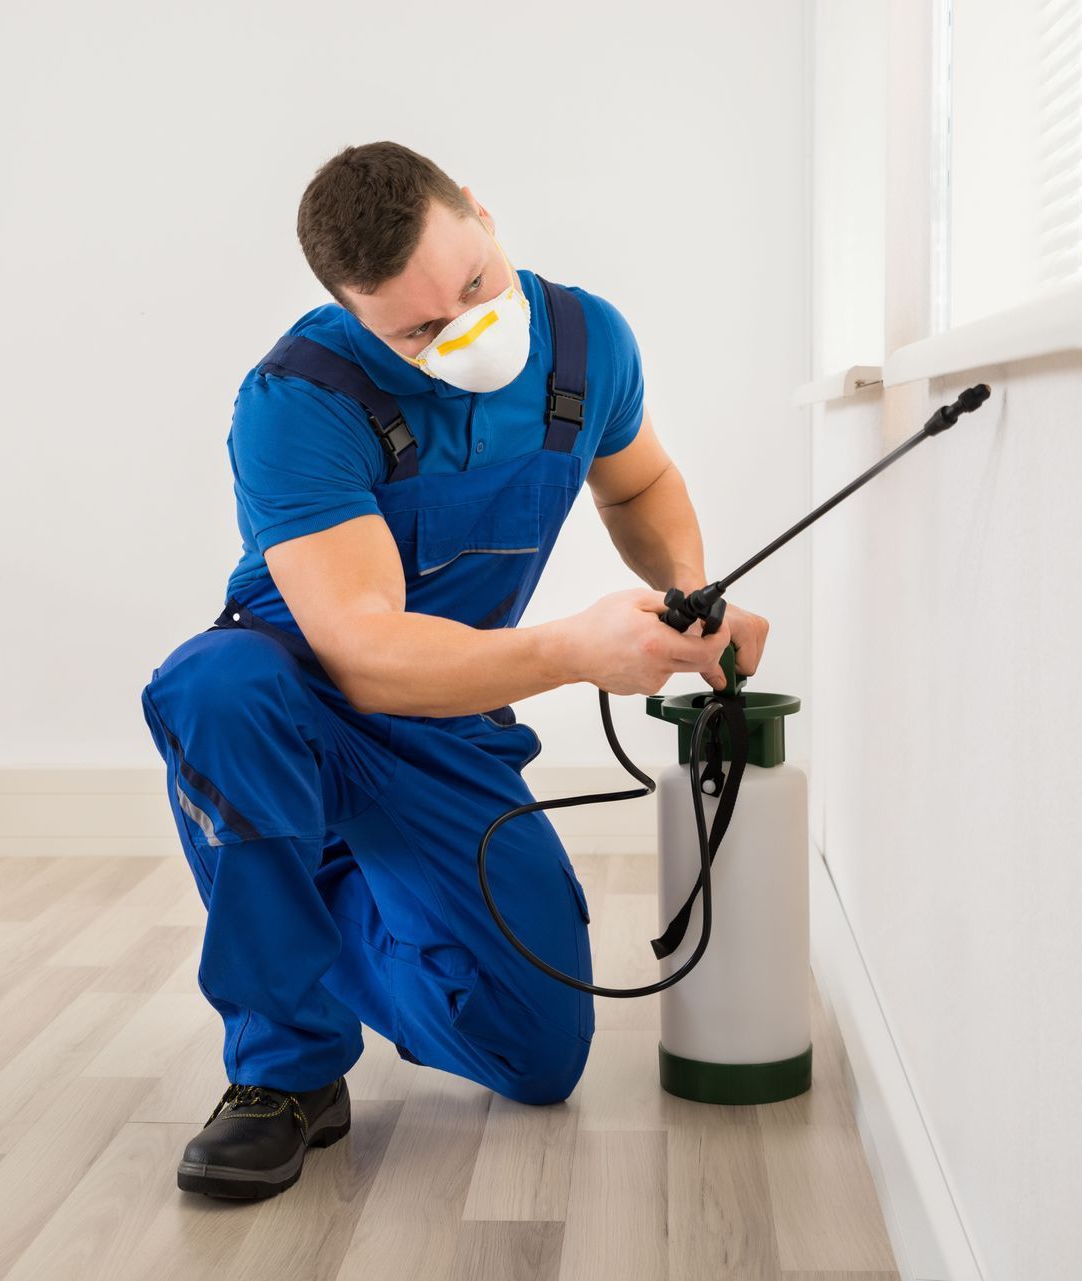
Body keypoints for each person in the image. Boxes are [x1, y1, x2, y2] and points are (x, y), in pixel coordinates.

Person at [139, 141, 770, 1200]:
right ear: (352, 313)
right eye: (420, 329)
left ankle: (310, 881)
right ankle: (285, 1074)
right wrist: (575, 651)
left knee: (537, 1055)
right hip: (300, 698)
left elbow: (640, 482)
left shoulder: (586, 345)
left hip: (448, 718)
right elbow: (367, 652)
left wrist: (688, 601)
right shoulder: (299, 400)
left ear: (480, 214)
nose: (465, 328)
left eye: (474, 287)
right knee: (215, 685)